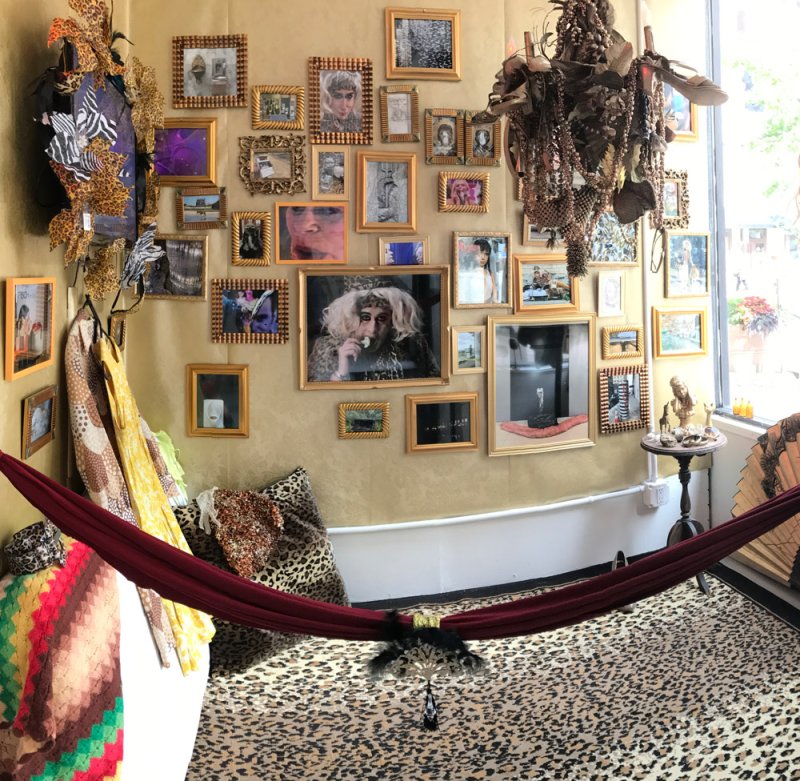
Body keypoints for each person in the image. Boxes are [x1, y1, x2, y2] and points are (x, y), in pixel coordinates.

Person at [307, 280, 439, 382]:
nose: (372, 329)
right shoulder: (326, 348)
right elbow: (315, 404)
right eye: (365, 318)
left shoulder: (413, 345)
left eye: (382, 318)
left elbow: (432, 391)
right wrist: (341, 372)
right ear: (349, 318)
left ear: (393, 320)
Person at [474, 238, 497, 303]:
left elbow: (495, 295)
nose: (483, 257)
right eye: (481, 253)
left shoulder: (489, 273)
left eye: (486, 254)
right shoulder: (468, 273)